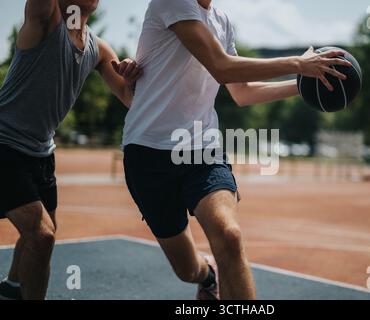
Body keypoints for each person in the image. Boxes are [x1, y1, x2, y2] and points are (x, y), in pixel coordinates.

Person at [121, 0, 351, 300]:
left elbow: (242, 92)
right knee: (186, 270)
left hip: (201, 149)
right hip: (147, 152)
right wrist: (298, 63)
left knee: (229, 236)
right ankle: (207, 275)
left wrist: (304, 83)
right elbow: (221, 67)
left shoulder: (223, 22)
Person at [0, 0, 141, 300]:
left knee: (44, 229)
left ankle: (13, 285)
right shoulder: (44, 20)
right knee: (42, 235)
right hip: (5, 146)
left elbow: (130, 98)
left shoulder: (98, 49)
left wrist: (131, 76)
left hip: (41, 153)